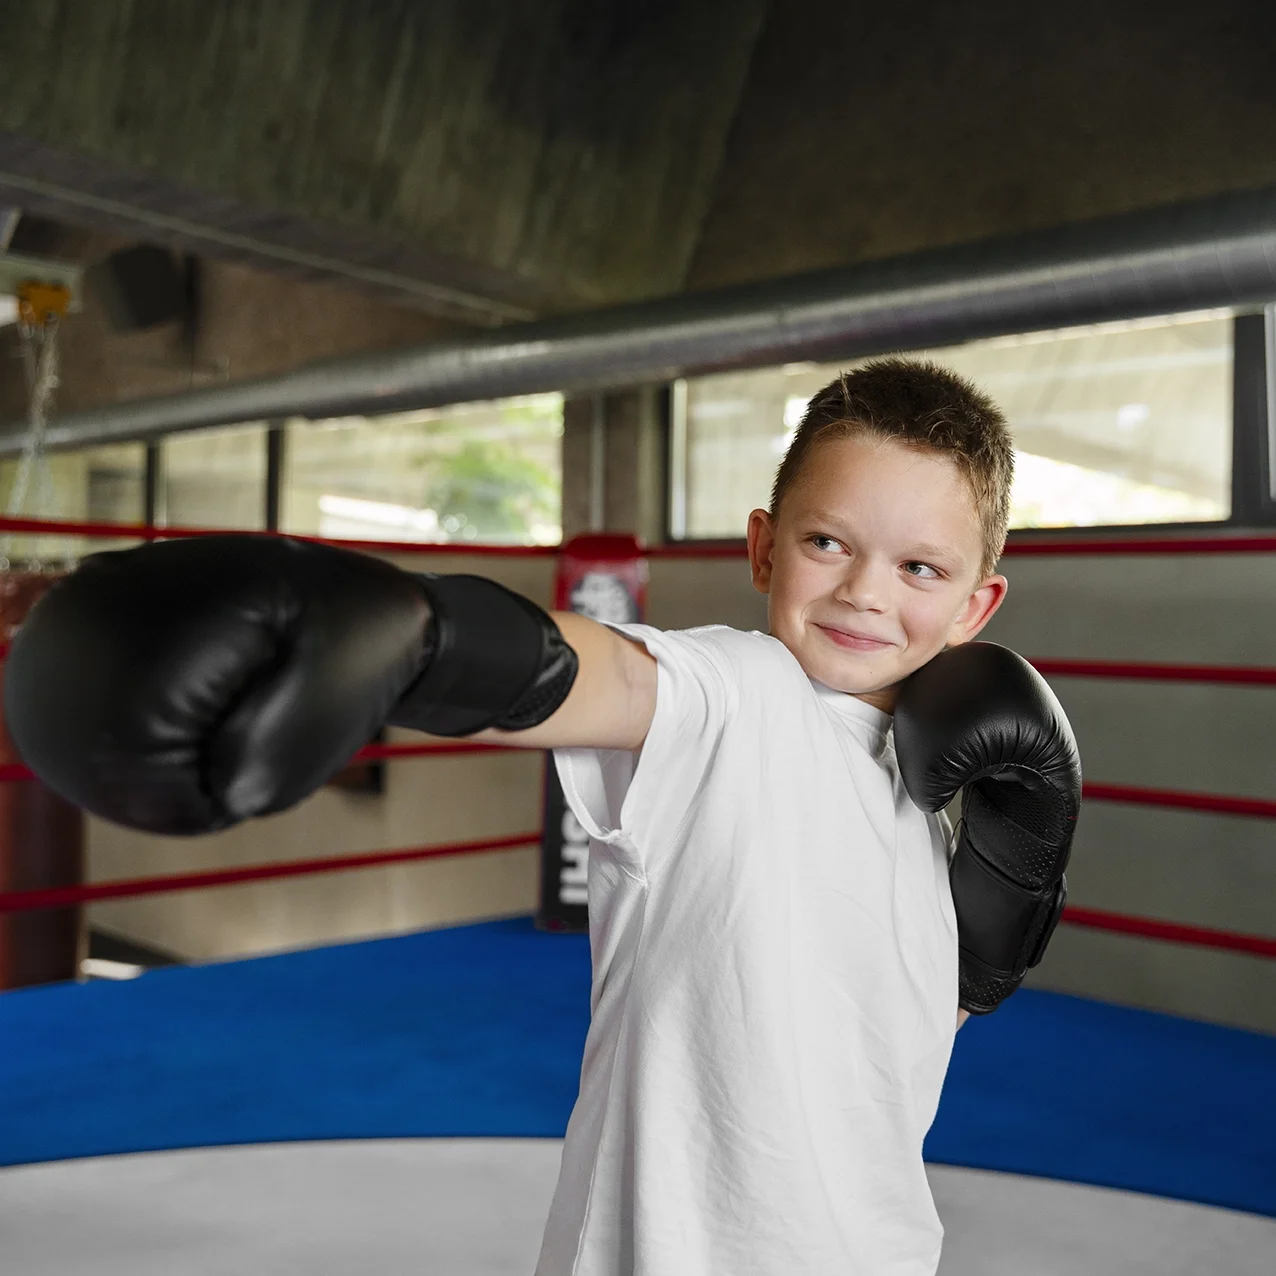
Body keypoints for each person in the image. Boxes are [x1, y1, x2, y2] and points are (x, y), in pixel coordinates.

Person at [5, 357, 1080, 1275]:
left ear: (976, 606)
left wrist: (988, 942)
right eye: (827, 543)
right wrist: (418, 639)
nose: (864, 592)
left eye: (919, 567)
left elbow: (876, 1053)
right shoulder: (738, 697)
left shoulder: (933, 786)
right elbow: (603, 676)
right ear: (761, 547)